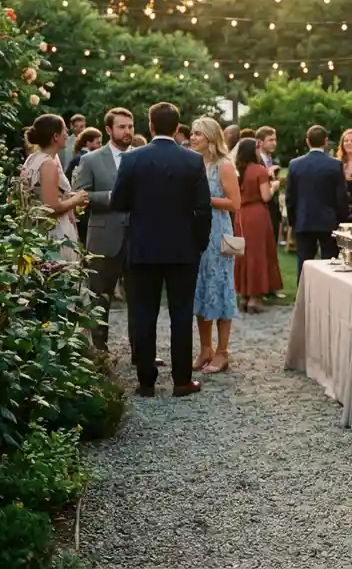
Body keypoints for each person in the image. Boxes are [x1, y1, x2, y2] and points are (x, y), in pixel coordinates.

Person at [110, 102, 211, 398]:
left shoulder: (132, 160)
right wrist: (200, 244)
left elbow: (118, 202)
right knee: (181, 314)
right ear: (178, 128)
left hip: (143, 246)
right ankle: (181, 380)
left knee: (144, 314)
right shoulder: (192, 161)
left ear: (151, 126)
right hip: (183, 249)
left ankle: (146, 382)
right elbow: (203, 209)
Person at [75, 108, 149, 360]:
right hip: (104, 238)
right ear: (108, 130)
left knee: (140, 299)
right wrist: (110, 197)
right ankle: (99, 351)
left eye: (130, 126)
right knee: (99, 297)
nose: (128, 131)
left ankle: (141, 352)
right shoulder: (91, 160)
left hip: (139, 237)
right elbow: (80, 196)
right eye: (122, 127)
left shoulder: (143, 156)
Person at [190, 118, 241, 373]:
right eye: (192, 133)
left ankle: (222, 352)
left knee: (220, 288)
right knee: (199, 289)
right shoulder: (193, 163)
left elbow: (235, 203)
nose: (193, 137)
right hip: (195, 235)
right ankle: (205, 349)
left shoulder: (224, 165)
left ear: (210, 137)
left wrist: (204, 199)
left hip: (218, 234)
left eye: (198, 133)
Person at [21, 114, 88, 262]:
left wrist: (69, 197)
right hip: (54, 233)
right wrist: (76, 199)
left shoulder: (32, 159)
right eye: (64, 130)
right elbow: (51, 207)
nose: (67, 134)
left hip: (36, 230)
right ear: (56, 136)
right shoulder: (48, 164)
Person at [286, 125, 346, 275]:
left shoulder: (295, 164)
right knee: (330, 262)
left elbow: (290, 197)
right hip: (328, 220)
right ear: (325, 141)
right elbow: (341, 196)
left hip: (304, 219)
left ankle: (304, 296)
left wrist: (293, 220)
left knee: (304, 263)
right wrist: (340, 220)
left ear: (307, 141)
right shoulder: (335, 164)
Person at [233, 138, 283, 312]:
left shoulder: (236, 171)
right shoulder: (259, 170)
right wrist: (274, 186)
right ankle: (255, 298)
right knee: (258, 254)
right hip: (256, 214)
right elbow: (266, 197)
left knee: (242, 253)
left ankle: (243, 296)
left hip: (240, 215)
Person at [65, 127, 102, 248]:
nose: (101, 146)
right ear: (88, 143)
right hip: (82, 203)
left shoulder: (77, 157)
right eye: (98, 143)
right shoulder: (86, 159)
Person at [255, 126, 282, 243]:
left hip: (273, 209)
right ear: (260, 143)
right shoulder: (255, 161)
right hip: (258, 210)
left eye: (275, 140)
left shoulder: (275, 162)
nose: (274, 143)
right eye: (270, 140)